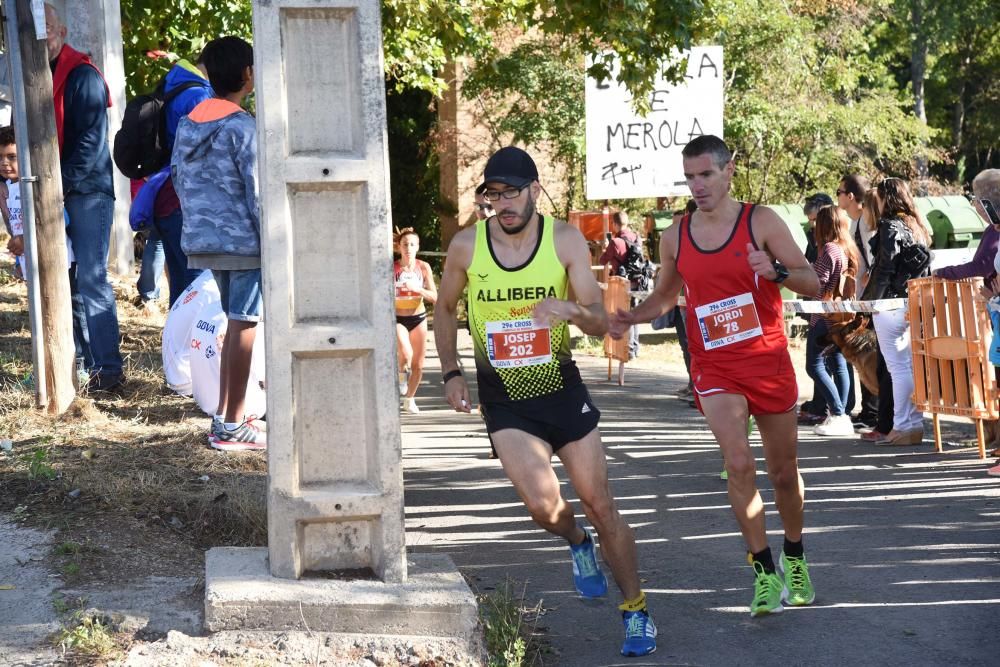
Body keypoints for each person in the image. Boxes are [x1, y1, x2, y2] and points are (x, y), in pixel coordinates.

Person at [435, 146, 657, 657]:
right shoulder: (468, 246)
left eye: (511, 193)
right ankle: (578, 543)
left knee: (602, 504)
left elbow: (603, 323)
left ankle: (637, 610)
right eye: (493, 194)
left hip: (561, 390)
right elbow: (445, 309)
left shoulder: (564, 239)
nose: (502, 204)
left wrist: (570, 311)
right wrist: (450, 371)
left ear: (535, 190)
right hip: (505, 398)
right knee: (542, 504)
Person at [610, 135, 820, 617]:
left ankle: (795, 553)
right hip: (715, 366)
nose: (697, 185)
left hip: (766, 360)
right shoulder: (674, 235)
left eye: (705, 174)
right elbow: (665, 298)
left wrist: (776, 273)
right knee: (739, 464)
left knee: (784, 474)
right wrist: (633, 317)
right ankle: (764, 571)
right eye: (689, 177)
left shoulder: (760, 220)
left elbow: (812, 281)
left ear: (728, 172)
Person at [172, 36, 263, 451]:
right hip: (244, 243)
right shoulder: (243, 127)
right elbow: (257, 191)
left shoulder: (190, 122)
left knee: (233, 322)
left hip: (204, 241)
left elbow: (176, 178)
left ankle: (227, 416)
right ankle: (231, 424)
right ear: (247, 75)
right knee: (245, 324)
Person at [46, 2, 124, 392]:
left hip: (87, 191)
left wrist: (54, 185)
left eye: (47, 28)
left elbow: (91, 143)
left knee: (92, 277)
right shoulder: (45, 72)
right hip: (64, 190)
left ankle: (109, 371)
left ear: (60, 30)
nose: (41, 37)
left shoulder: (82, 75)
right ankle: (81, 364)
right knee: (70, 278)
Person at [130, 52, 213, 307]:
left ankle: (177, 345)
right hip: (184, 199)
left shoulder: (174, 82)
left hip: (166, 193)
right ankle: (189, 346)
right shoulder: (198, 95)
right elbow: (204, 155)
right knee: (197, 286)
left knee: (181, 284)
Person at [860, 178, 931, 446]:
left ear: (885, 198)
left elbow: (884, 269)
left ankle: (901, 426)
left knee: (897, 368)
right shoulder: (918, 225)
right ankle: (913, 424)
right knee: (910, 366)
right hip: (914, 301)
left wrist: (868, 303)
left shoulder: (889, 226)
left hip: (889, 303)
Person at [807, 205, 860, 437]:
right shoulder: (846, 247)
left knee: (815, 366)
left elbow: (818, 283)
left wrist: (805, 272)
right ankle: (843, 414)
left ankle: (838, 413)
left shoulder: (828, 248)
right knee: (839, 365)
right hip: (840, 315)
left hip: (822, 315)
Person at [838, 174, 879, 428]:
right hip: (863, 299)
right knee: (865, 356)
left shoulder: (866, 220)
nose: (838, 196)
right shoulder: (856, 222)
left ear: (850, 196)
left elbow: (874, 261)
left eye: (839, 191)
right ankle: (869, 411)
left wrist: (863, 281)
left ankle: (873, 412)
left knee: (870, 357)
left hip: (871, 300)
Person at [394, 227, 437, 414]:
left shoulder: (423, 267)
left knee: (418, 364)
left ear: (418, 247)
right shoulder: (392, 267)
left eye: (412, 244)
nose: (408, 248)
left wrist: (417, 289)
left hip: (418, 318)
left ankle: (410, 399)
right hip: (398, 319)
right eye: (405, 244)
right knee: (405, 354)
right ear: (399, 247)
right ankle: (401, 377)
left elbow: (435, 297)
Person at [934, 170, 1000, 282]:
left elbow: (981, 266)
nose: (975, 206)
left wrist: (942, 272)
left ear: (986, 204)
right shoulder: (993, 228)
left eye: (975, 201)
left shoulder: (994, 231)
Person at [600, 211, 642, 358]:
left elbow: (602, 260)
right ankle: (635, 348)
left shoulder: (615, 242)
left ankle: (627, 350)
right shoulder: (636, 237)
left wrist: (606, 248)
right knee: (634, 315)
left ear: (615, 224)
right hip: (637, 281)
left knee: (624, 315)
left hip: (622, 283)